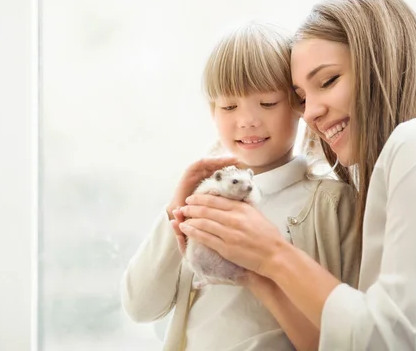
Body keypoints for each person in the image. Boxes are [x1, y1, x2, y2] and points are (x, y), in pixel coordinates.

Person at [177, 0, 416, 350]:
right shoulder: (403, 169)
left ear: (383, 62)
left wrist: (273, 254)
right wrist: (256, 273)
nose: (310, 112)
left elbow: (390, 341)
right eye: (303, 98)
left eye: (328, 81)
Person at [121, 21, 361, 351]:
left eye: (267, 103)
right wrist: (176, 210)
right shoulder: (200, 202)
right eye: (229, 106)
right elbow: (141, 306)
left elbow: (349, 331)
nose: (247, 120)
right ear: (212, 111)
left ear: (298, 106)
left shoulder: (331, 204)